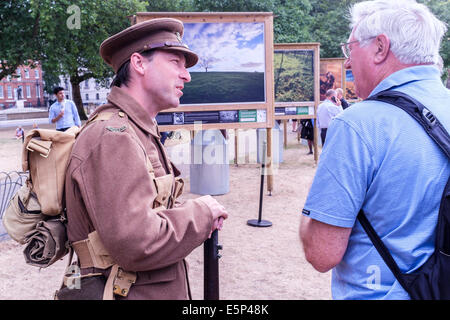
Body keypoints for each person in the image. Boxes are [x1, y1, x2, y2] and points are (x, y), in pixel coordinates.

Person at [64, 18, 229, 300]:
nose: (186, 75)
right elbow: (135, 241)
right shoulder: (114, 135)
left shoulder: (138, 130)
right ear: (139, 64)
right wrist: (202, 213)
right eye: (175, 62)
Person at [300, 0, 449, 300]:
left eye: (350, 48)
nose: (347, 63)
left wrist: (308, 217)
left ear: (381, 48)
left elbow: (321, 252)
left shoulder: (357, 125)